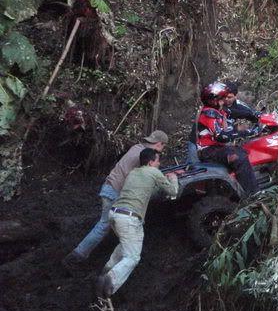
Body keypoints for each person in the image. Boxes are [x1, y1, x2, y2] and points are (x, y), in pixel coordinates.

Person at [63, 130, 169, 268]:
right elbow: (146, 177)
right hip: (115, 191)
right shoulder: (145, 156)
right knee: (104, 226)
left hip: (109, 186)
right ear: (160, 144)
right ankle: (76, 256)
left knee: (108, 224)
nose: (161, 152)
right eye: (163, 147)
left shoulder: (137, 147)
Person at [95, 148, 179, 297]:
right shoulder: (154, 172)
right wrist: (173, 177)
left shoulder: (133, 172)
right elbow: (173, 191)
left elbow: (147, 193)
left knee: (125, 245)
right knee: (132, 257)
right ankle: (110, 280)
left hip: (115, 214)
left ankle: (107, 270)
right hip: (129, 218)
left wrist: (158, 184)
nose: (159, 163)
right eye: (158, 160)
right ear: (151, 161)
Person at [197, 82, 259, 196]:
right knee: (239, 158)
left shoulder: (218, 111)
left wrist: (253, 117)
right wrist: (242, 133)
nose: (224, 101)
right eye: (221, 98)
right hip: (208, 151)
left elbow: (236, 113)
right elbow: (221, 136)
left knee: (245, 150)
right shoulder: (209, 113)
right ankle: (253, 195)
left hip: (215, 148)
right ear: (213, 100)